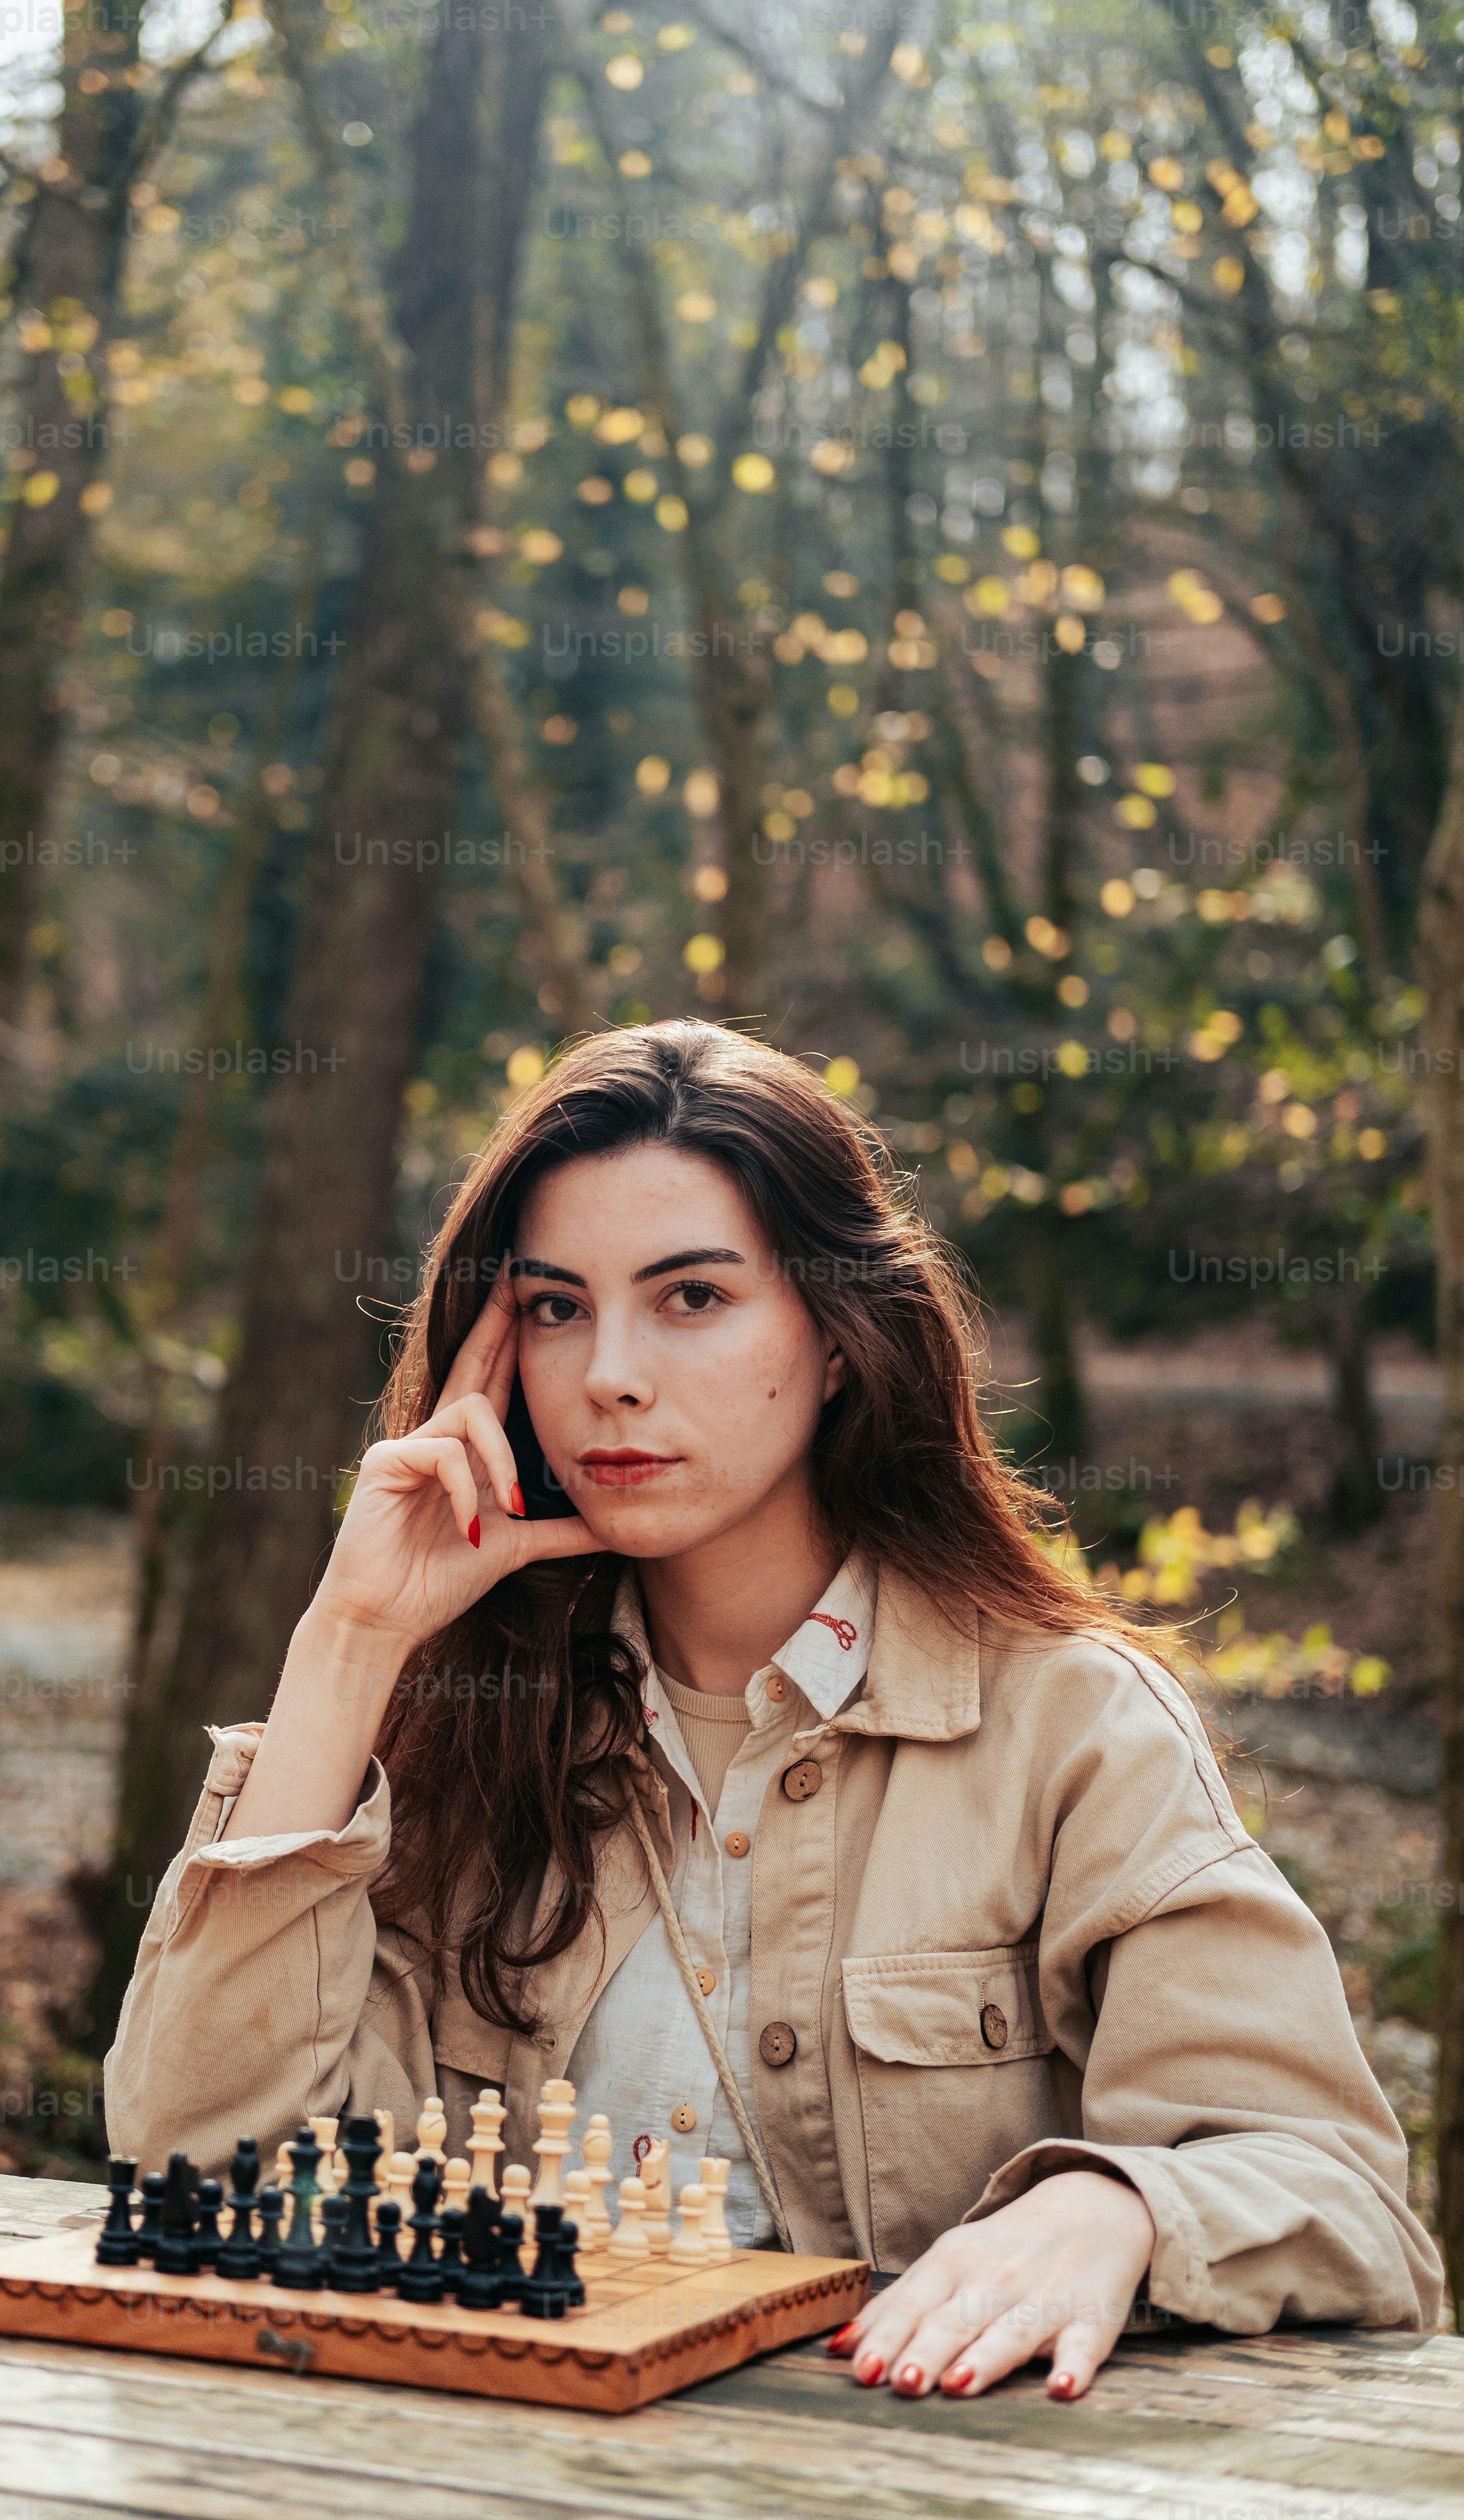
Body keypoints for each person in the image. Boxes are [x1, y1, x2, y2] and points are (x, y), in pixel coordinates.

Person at [105, 1021, 1440, 2397]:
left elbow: (1342, 2202)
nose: (610, 1374)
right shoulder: (456, 1729)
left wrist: (1120, 2209)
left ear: (843, 1339)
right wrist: (351, 1642)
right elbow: (201, 2179)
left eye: (691, 1298)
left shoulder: (1070, 1728)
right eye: (557, 1308)